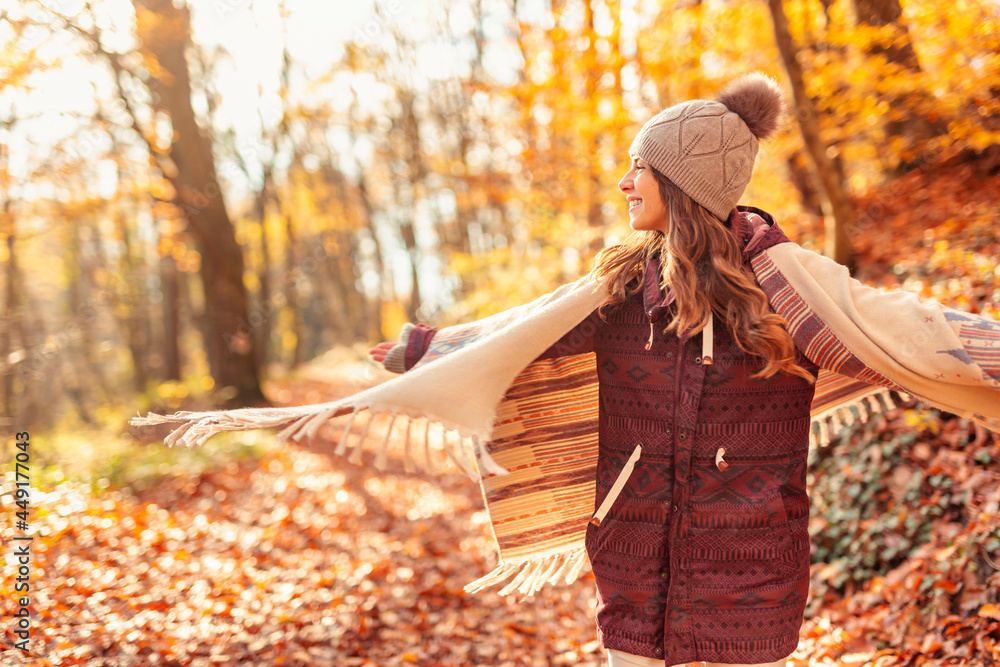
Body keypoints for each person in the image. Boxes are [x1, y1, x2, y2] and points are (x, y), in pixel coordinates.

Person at [368, 73, 1000, 667]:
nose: (624, 182)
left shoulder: (791, 290)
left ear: (682, 181)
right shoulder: (619, 292)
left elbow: (903, 328)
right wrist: (428, 350)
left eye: (639, 167)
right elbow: (524, 333)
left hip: (754, 576)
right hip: (634, 565)